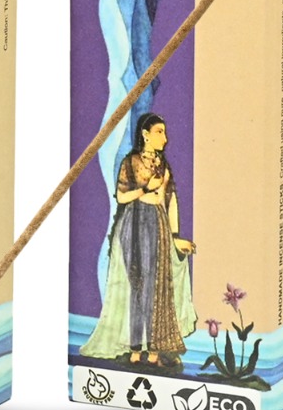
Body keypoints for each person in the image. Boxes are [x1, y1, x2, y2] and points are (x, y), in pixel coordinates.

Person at [79, 113, 197, 365]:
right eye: (159, 132)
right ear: (145, 134)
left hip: (158, 225)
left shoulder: (163, 165)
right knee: (136, 285)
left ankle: (153, 352)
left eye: (164, 132)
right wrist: (145, 188)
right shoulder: (131, 162)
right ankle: (135, 350)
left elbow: (170, 201)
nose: (165, 138)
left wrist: (175, 237)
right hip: (133, 225)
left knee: (157, 287)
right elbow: (122, 197)